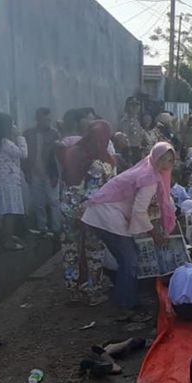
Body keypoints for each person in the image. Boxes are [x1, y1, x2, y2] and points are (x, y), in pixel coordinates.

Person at [82, 142, 177, 314]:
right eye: (165, 160)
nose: (168, 164)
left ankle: (124, 296)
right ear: (156, 158)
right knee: (130, 260)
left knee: (127, 258)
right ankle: (126, 304)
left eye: (171, 160)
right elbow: (139, 211)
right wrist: (155, 234)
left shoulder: (147, 170)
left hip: (104, 212)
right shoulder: (149, 178)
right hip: (107, 214)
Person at [56, 121, 116, 305]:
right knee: (93, 251)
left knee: (70, 251)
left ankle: (72, 290)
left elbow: (64, 180)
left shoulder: (73, 152)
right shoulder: (102, 161)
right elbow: (99, 192)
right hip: (91, 213)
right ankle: (93, 291)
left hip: (68, 209)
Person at [0, 112, 29, 251]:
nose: (14, 126)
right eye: (11, 124)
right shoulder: (5, 142)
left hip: (1, 182)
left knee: (7, 212)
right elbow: (23, 154)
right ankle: (8, 241)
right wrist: (20, 136)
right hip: (8, 183)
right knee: (10, 212)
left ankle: (7, 237)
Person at [24, 107, 61, 237]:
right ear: (38, 118)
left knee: (54, 201)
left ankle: (57, 228)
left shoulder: (54, 134)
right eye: (45, 118)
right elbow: (24, 155)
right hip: (34, 172)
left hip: (49, 173)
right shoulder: (28, 134)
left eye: (49, 119)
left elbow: (57, 157)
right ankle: (42, 227)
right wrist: (26, 172)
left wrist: (56, 174)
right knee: (38, 202)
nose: (48, 121)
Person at [119, 97, 144, 162]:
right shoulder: (125, 120)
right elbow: (124, 137)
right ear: (127, 106)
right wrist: (128, 152)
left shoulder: (137, 120)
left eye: (137, 104)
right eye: (132, 105)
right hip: (130, 150)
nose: (135, 107)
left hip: (137, 149)